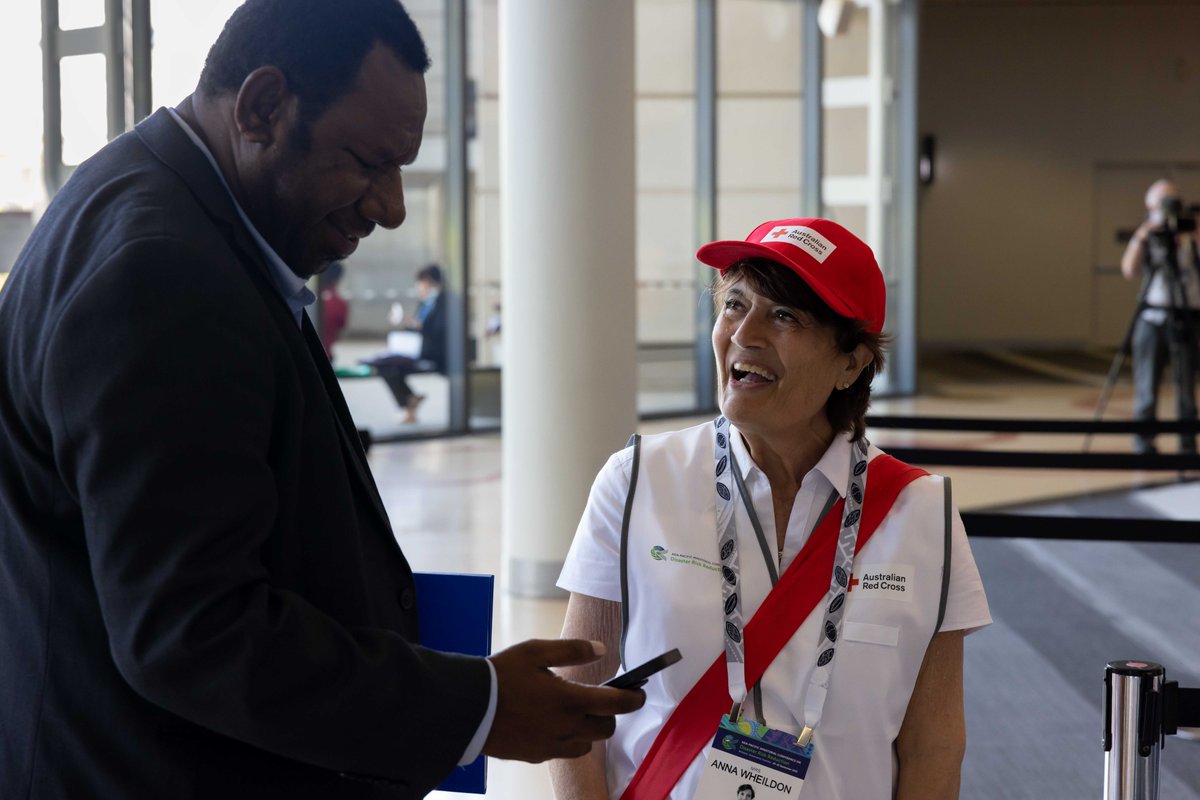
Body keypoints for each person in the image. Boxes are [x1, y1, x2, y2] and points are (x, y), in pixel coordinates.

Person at [0, 1, 642, 798]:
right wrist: (477, 708)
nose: (392, 205)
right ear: (263, 107)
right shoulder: (165, 273)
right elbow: (192, 631)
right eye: (370, 162)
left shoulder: (166, 213)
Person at [549, 218, 991, 800]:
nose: (745, 333)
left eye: (784, 316)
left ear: (851, 363)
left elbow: (933, 744)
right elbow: (573, 705)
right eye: (735, 303)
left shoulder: (923, 514)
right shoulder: (637, 482)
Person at [1120, 178, 1200, 454]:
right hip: (1152, 317)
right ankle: (1144, 444)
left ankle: (1187, 445)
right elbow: (1129, 271)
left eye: (1173, 202)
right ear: (1149, 206)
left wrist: (1194, 235)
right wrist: (1143, 235)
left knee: (1187, 387)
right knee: (1147, 385)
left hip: (1188, 316)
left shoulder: (1192, 234)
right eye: (1163, 202)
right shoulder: (1147, 234)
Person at [370, 263, 446, 422]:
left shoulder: (444, 303)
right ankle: (410, 402)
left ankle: (409, 404)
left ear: (431, 282)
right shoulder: (424, 303)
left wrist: (416, 325)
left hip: (433, 353)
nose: (420, 287)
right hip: (417, 349)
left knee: (388, 366)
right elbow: (417, 327)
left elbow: (438, 329)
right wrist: (406, 322)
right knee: (386, 366)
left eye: (422, 282)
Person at [319, 260, 350, 360]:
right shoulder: (340, 304)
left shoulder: (305, 300)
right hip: (326, 356)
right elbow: (338, 335)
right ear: (338, 278)